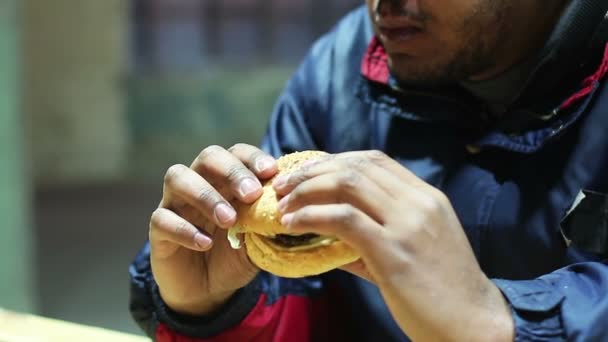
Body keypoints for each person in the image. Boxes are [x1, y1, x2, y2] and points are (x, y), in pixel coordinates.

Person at [129, 0, 608, 340]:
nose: (383, 6)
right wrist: (218, 311)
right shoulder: (341, 69)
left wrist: (502, 325)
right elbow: (311, 309)